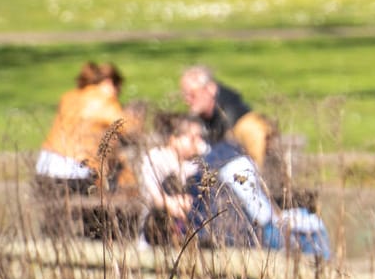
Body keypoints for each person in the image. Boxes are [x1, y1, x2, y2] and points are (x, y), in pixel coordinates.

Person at [188, 135, 332, 259]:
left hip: (252, 227)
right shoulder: (227, 162)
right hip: (255, 232)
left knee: (307, 219)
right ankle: (324, 272)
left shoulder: (215, 162)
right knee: (313, 229)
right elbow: (261, 215)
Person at [36, 61, 137, 196]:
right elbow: (129, 129)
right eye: (118, 89)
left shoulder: (69, 96)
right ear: (109, 83)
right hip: (73, 171)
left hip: (44, 166)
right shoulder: (105, 100)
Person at [179, 66, 280, 183]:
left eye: (192, 94)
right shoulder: (201, 119)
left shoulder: (245, 124)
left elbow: (255, 170)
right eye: (184, 95)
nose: (186, 100)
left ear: (210, 89)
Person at [134, 113, 204, 246]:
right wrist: (171, 204)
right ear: (174, 139)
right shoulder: (156, 158)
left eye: (200, 138)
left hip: (188, 234)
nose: (199, 143)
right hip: (155, 231)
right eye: (193, 138)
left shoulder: (197, 164)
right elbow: (153, 195)